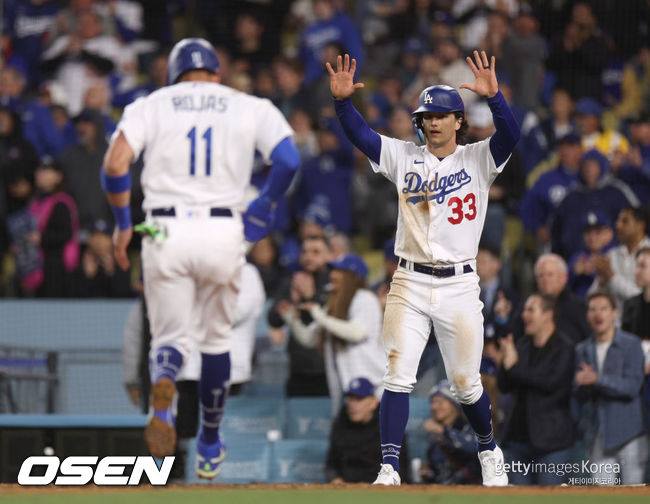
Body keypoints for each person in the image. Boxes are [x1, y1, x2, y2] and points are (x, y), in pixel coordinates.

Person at [102, 38, 299, 479]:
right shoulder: (247, 104)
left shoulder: (151, 104)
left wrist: (120, 223)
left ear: (173, 75)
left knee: (168, 340)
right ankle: (210, 438)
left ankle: (165, 402)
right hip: (221, 229)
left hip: (164, 228)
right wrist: (263, 206)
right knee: (215, 343)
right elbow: (287, 159)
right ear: (215, 73)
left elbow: (115, 164)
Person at [327, 50, 520, 486]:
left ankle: (489, 448)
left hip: (459, 284)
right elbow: (362, 136)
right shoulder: (403, 156)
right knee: (396, 375)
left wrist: (495, 98)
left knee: (466, 383)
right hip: (409, 280)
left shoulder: (478, 159)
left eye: (442, 115)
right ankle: (389, 467)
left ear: (458, 121)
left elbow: (512, 134)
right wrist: (342, 104)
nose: (432, 122)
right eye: (426, 115)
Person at [281, 253, 385, 410]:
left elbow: (357, 333)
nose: (333, 275)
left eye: (339, 271)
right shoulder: (333, 304)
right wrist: (292, 319)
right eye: (333, 270)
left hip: (372, 388)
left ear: (352, 276)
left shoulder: (365, 299)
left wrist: (320, 316)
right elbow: (310, 339)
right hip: (345, 388)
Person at [497, 294, 575, 485]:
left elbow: (549, 382)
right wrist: (505, 362)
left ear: (548, 314)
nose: (524, 315)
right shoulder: (521, 346)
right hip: (517, 441)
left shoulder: (565, 348)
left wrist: (514, 368)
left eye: (531, 310)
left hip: (551, 444)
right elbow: (504, 386)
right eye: (524, 310)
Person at [573, 292, 647, 485]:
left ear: (615, 313)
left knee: (635, 495)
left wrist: (597, 379)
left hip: (630, 434)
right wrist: (581, 384)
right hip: (599, 435)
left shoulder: (631, 345)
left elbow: (632, 387)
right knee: (602, 497)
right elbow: (580, 396)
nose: (598, 314)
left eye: (604, 309)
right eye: (593, 309)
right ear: (587, 315)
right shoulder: (582, 350)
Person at [325, 377, 409, 484]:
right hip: (347, 491)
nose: (352, 405)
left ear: (373, 403)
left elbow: (400, 468)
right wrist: (335, 480)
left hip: (380, 491)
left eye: (359, 399)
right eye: (350, 399)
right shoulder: (341, 424)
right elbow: (331, 464)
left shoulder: (389, 427)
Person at [589, 206, 650, 317]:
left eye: (625, 221)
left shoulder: (648, 256)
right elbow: (592, 298)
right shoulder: (612, 255)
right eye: (618, 221)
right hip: (615, 326)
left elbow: (644, 298)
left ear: (640, 225)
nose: (618, 225)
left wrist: (612, 277)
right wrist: (601, 282)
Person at [420, 380, 481, 485]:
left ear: (454, 404)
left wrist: (444, 432)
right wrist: (428, 471)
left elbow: (473, 449)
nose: (434, 407)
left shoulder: (470, 426)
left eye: (440, 402)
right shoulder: (434, 433)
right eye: (432, 402)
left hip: (469, 491)